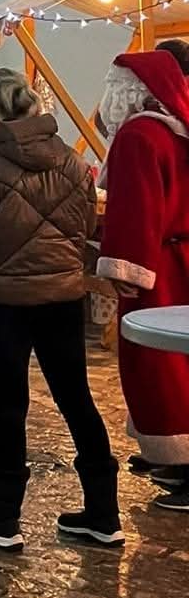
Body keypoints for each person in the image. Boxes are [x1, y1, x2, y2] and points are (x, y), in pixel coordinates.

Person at [0, 68, 116, 549]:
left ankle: (2, 518)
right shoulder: (69, 159)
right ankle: (104, 511)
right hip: (61, 293)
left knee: (9, 403)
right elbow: (86, 223)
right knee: (76, 397)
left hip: (1, 299)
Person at [96, 46, 189, 510]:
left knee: (159, 367)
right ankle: (174, 456)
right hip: (178, 258)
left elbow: (136, 210)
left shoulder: (139, 134)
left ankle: (182, 462)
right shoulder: (174, 130)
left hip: (156, 268)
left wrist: (123, 267)